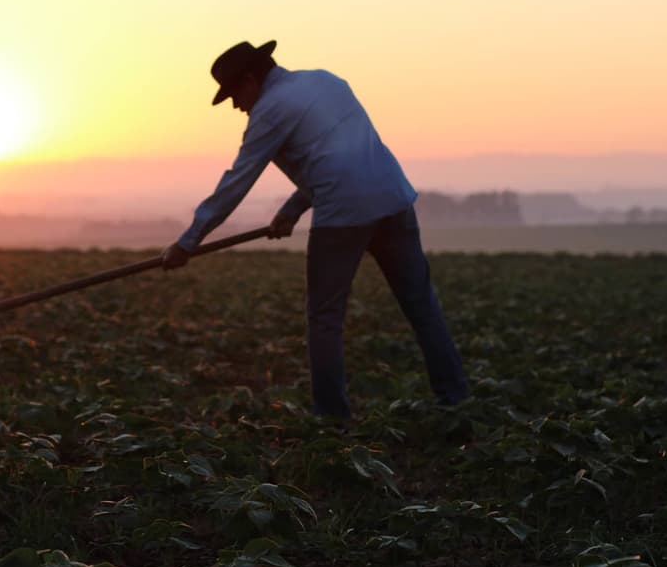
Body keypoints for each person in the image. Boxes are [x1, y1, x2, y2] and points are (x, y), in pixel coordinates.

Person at [161, 40, 469, 417]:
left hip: (343, 213)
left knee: (325, 319)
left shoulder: (269, 111)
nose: (237, 106)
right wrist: (291, 211)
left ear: (250, 79)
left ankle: (332, 421)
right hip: (393, 198)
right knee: (422, 305)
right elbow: (333, 156)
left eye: (235, 95)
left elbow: (236, 183)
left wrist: (187, 242)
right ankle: (456, 401)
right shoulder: (326, 81)